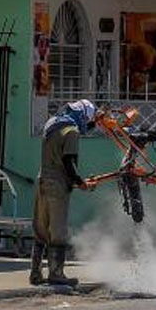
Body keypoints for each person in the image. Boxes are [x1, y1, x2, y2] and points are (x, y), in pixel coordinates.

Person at [29, 99, 97, 286]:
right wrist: (81, 182)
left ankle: (35, 273)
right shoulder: (72, 131)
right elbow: (69, 163)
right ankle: (56, 274)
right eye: (89, 121)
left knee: (41, 229)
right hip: (57, 186)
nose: (88, 126)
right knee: (57, 231)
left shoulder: (53, 123)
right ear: (83, 116)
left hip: (42, 180)